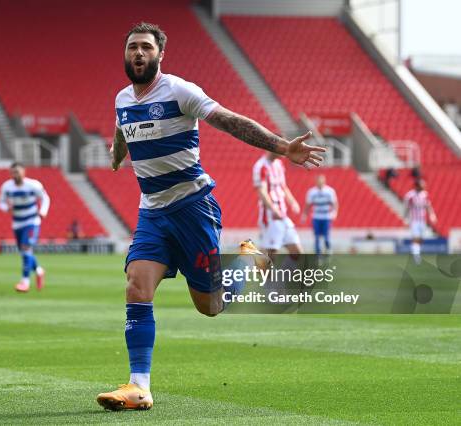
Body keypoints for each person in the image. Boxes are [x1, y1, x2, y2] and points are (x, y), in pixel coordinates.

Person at [96, 22, 326, 411]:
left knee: (211, 306)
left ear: (160, 55)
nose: (138, 54)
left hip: (192, 207)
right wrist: (117, 156)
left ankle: (250, 260)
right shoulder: (121, 99)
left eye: (146, 48)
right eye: (132, 47)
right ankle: (139, 386)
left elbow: (231, 121)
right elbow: (122, 129)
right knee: (137, 285)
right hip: (152, 212)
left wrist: (282, 146)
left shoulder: (179, 91)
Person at [0, 162, 50, 292]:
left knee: (26, 248)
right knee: (24, 252)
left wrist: (43, 212)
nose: (15, 174)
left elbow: (45, 198)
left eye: (18, 172)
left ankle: (25, 282)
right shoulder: (7, 187)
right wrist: (6, 208)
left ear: (24, 172)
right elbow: (1, 202)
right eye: (13, 172)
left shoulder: (33, 185)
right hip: (17, 222)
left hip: (32, 221)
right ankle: (39, 270)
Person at [253, 152, 303, 259]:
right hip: (270, 214)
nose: (285, 151)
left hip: (282, 213)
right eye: (281, 148)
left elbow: (283, 186)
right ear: (272, 148)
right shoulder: (261, 166)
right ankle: (259, 270)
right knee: (271, 252)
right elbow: (262, 191)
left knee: (297, 251)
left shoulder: (279, 164)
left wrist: (293, 202)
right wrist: (273, 209)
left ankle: (281, 275)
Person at [301, 174, 338, 256]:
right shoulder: (312, 192)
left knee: (326, 237)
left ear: (324, 181)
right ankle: (318, 256)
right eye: (318, 181)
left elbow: (335, 203)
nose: (320, 183)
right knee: (317, 237)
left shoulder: (329, 191)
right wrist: (304, 215)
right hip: (316, 217)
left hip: (326, 217)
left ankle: (328, 250)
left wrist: (334, 212)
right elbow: (308, 205)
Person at [403, 178, 437, 264]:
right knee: (416, 238)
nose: (424, 187)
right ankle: (416, 256)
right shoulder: (410, 195)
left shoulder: (425, 194)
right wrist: (406, 217)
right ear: (417, 186)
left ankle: (416, 253)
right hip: (414, 220)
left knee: (420, 239)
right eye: (422, 185)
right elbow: (407, 207)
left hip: (422, 220)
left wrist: (432, 215)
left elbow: (428, 205)